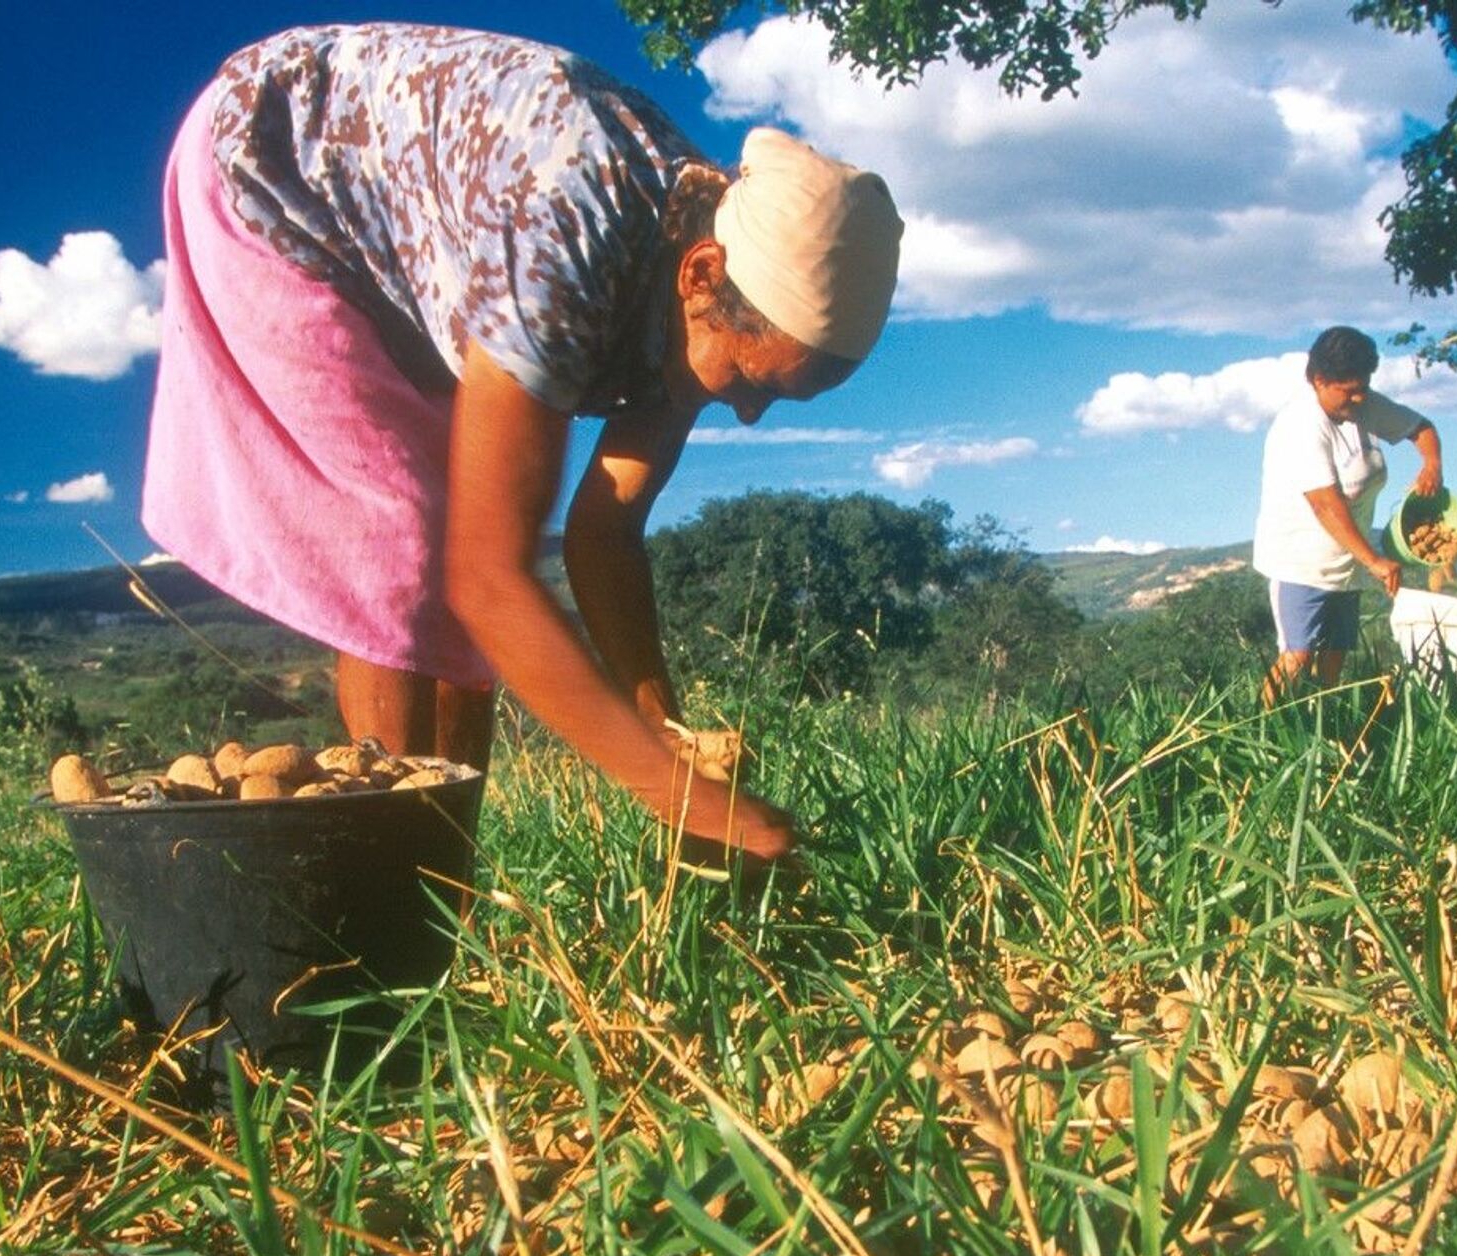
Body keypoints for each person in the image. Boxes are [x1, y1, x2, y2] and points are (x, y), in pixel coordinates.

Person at [142, 23, 903, 861]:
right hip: (272, 169)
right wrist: (673, 793)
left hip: (428, 246)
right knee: (407, 545)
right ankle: (392, 900)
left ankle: (442, 894)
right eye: (757, 383)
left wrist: (671, 741)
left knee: (454, 600)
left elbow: (605, 533)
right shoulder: (567, 232)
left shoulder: (707, 284)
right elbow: (487, 578)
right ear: (700, 276)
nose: (751, 414)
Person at [1251, 326, 1443, 706]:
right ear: (1319, 380)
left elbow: (1421, 428)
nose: (1358, 397)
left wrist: (1432, 465)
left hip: (1349, 561)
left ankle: (1326, 731)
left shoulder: (1362, 403)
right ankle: (1262, 730)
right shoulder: (1301, 425)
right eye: (1348, 389)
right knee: (1297, 657)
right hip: (1300, 563)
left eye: (1363, 387)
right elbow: (1326, 503)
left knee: (1333, 662)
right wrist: (1374, 560)